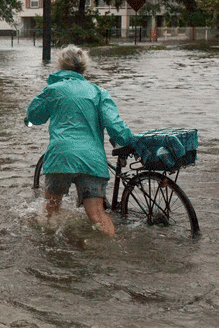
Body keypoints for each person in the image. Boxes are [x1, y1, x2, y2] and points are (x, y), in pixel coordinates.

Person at [25, 45, 136, 235]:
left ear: (60, 66)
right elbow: (115, 125)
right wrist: (131, 141)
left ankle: (48, 256)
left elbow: (35, 116)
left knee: (51, 213)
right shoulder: (98, 92)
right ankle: (114, 251)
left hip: (61, 158)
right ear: (84, 68)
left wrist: (28, 120)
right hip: (92, 161)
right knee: (98, 215)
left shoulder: (53, 89)